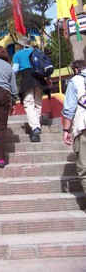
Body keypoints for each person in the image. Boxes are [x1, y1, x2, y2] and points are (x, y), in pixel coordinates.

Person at [12, 36, 51, 142]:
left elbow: (15, 69)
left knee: (29, 103)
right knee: (38, 104)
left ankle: (35, 127)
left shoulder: (17, 55)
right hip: (40, 79)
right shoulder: (37, 51)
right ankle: (36, 130)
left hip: (27, 79)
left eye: (18, 44)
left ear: (21, 45)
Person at [62, 59, 86, 194]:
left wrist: (66, 130)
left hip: (83, 126)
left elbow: (69, 109)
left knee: (85, 169)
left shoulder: (75, 81)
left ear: (76, 70)